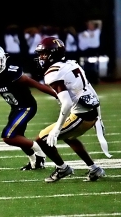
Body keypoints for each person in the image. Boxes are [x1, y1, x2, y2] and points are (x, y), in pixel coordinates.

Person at [33, 36, 105, 183]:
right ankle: (94, 168)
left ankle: (62, 168)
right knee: (69, 137)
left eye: (43, 54)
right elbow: (91, 91)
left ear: (52, 54)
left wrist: (57, 128)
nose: (41, 57)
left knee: (41, 139)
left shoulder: (53, 73)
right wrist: (99, 117)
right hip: (90, 113)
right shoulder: (72, 64)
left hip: (81, 116)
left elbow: (66, 103)